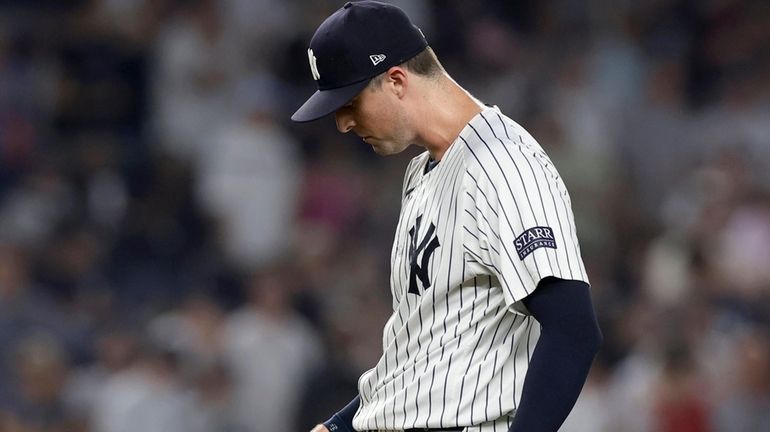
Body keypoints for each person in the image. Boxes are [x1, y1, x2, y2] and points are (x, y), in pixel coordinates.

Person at [291, 2, 602, 431]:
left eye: (350, 102)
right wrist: (340, 426)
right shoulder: (421, 172)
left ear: (396, 80)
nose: (343, 123)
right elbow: (421, 355)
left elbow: (573, 329)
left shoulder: (504, 165)